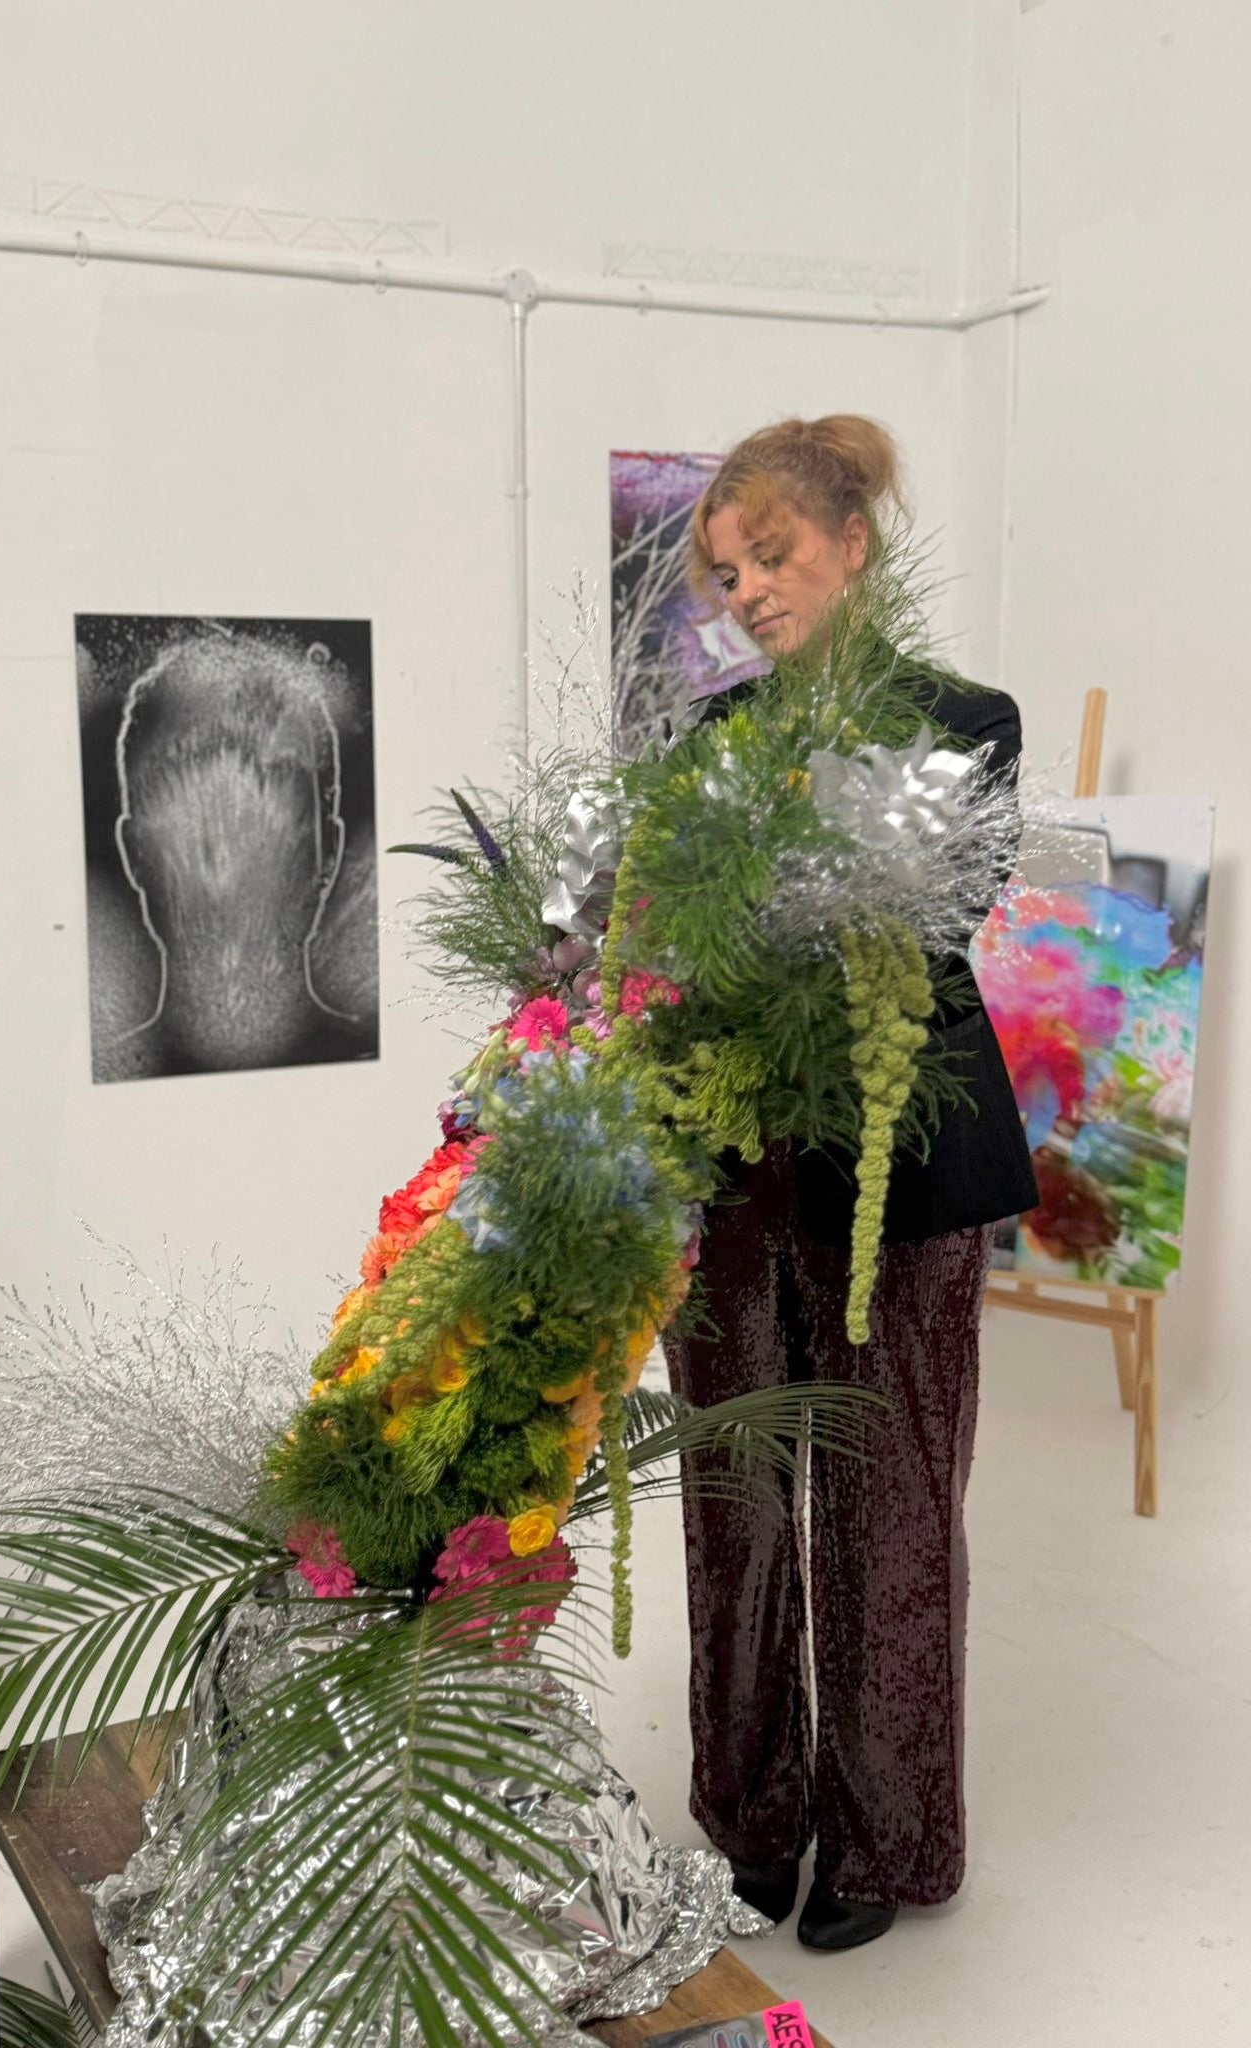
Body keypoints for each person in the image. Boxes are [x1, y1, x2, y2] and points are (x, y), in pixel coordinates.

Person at [662, 415, 1038, 1953]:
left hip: (902, 1166)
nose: (747, 590)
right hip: (734, 1178)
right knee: (737, 1506)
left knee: (891, 1517)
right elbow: (678, 950)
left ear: (854, 543)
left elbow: (916, 927)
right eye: (726, 572)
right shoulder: (707, 740)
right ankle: (750, 1821)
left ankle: (887, 1838)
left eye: (772, 555)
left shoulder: (967, 722)